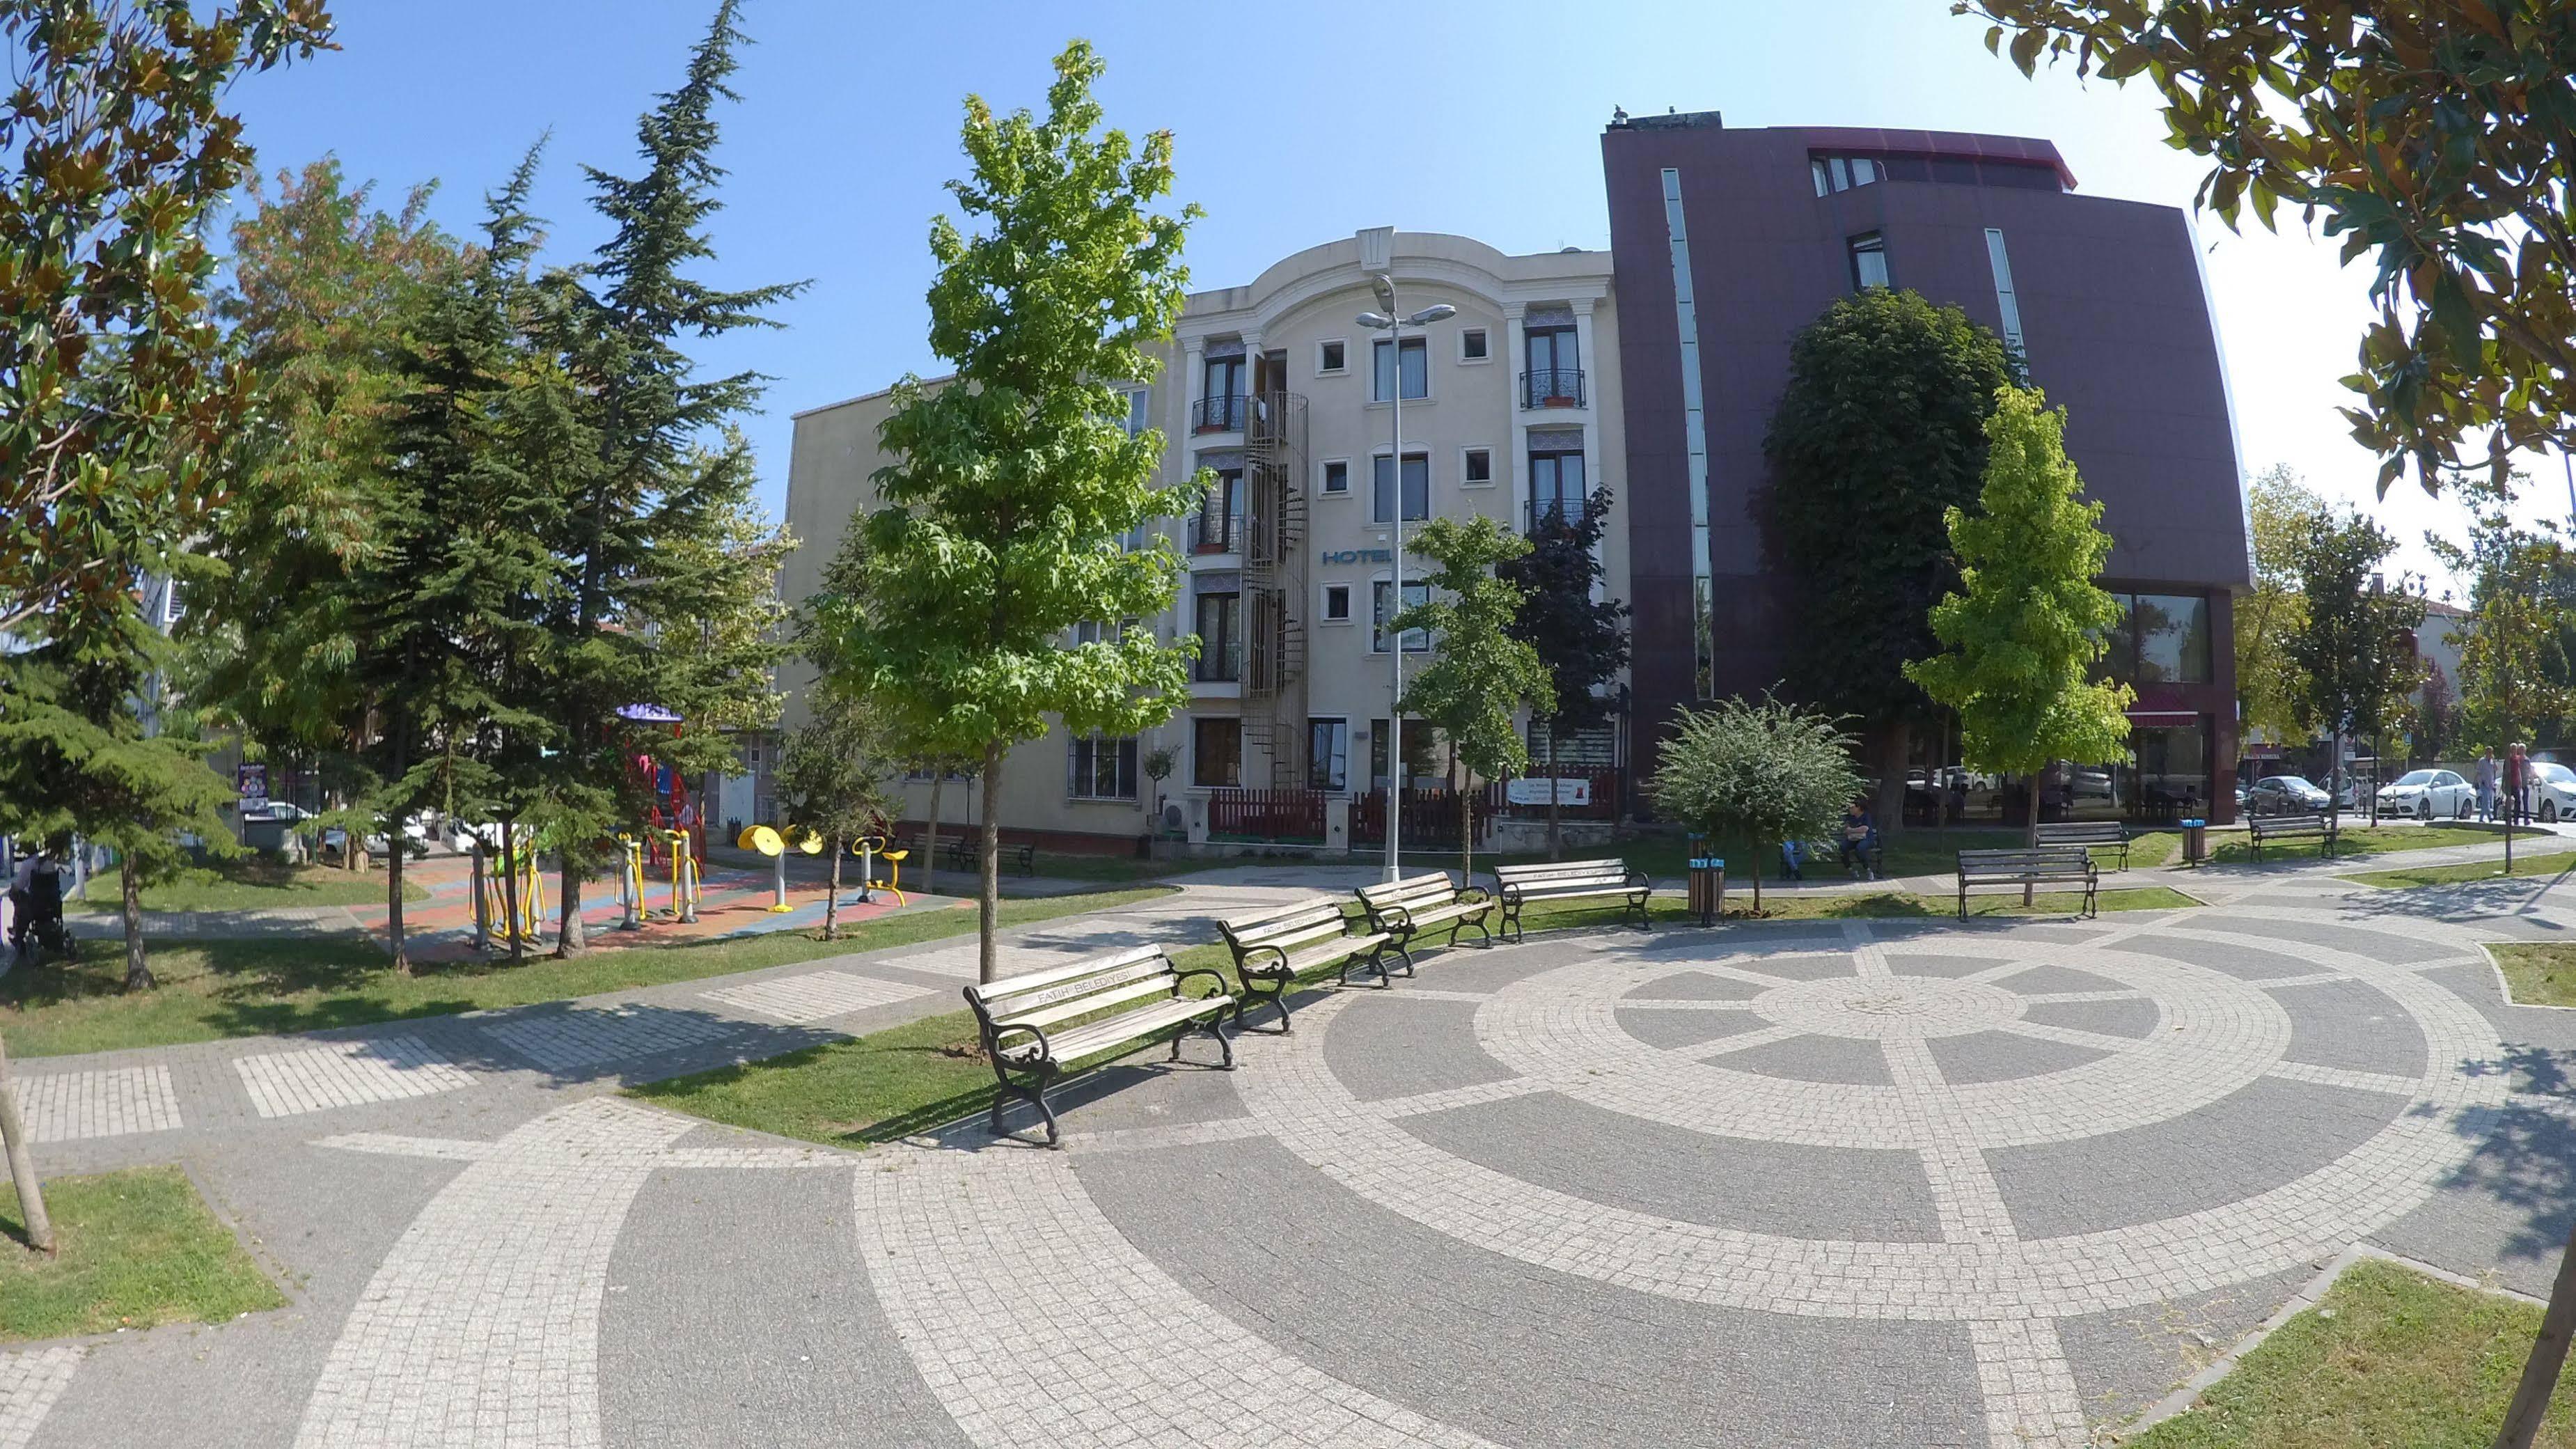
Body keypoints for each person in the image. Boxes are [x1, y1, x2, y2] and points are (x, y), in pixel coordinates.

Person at [1837, 801, 1880, 879]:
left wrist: (1852, 830)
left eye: (1852, 807)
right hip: (1853, 839)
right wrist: (1855, 830)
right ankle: (1851, 870)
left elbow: (1865, 829)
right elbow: (1845, 829)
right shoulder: (1850, 817)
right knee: (1843, 847)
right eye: (1849, 808)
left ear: (1858, 808)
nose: (1850, 809)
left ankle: (1868, 870)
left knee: (1860, 849)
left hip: (1866, 838)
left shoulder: (1866, 816)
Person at [2476, 748, 2500, 823]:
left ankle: (2481, 818)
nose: (2490, 754)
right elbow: (2478, 772)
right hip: (2483, 783)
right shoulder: (2482, 761)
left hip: (2490, 784)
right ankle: (2490, 817)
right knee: (2486, 800)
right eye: (2488, 752)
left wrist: (2494, 760)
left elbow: (2496, 769)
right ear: (2486, 752)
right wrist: (2477, 781)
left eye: (2491, 753)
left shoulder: (2492, 762)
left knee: (2485, 802)